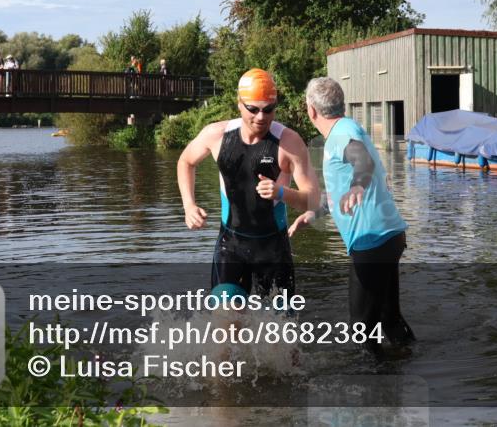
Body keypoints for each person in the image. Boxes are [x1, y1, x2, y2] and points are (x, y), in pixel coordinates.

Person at [290, 76, 415, 351]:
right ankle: (405, 369)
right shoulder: (349, 128)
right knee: (388, 318)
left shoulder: (342, 135)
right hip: (389, 236)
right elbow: (341, 190)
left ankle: (373, 386)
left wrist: (358, 183)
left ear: (310, 110)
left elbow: (363, 161)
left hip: (371, 241)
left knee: (360, 327)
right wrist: (315, 212)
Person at [177, 68, 319, 297]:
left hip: (273, 249)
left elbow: (312, 200)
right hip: (231, 245)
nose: (261, 117)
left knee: (279, 330)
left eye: (268, 109)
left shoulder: (289, 143)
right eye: (252, 109)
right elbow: (185, 161)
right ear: (239, 104)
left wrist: (281, 193)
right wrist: (189, 205)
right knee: (227, 323)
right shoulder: (217, 135)